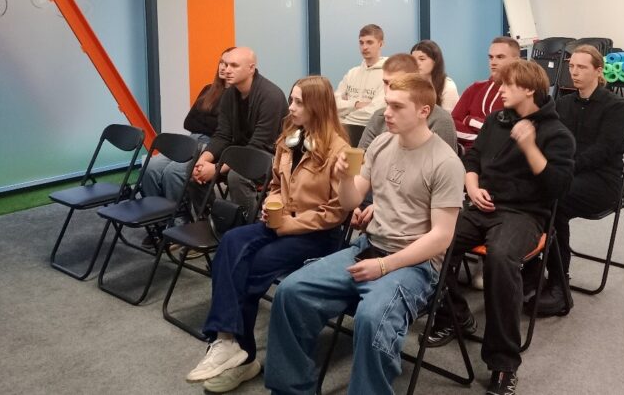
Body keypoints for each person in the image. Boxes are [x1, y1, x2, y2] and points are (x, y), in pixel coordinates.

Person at [264, 74, 465, 395]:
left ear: (424, 111)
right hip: (368, 247)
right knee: (290, 292)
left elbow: (441, 237)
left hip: (415, 265)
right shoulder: (382, 143)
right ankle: (291, 389)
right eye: (387, 104)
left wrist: (384, 266)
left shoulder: (445, 162)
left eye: (397, 107)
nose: (387, 113)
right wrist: (344, 179)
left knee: (372, 319)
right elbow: (350, 202)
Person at [185, 76, 350, 392]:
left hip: (316, 235)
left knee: (248, 269)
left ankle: (244, 356)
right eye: (292, 100)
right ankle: (226, 340)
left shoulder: (338, 151)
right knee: (230, 241)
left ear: (318, 107)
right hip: (280, 221)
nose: (291, 108)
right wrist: (272, 204)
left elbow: (335, 213)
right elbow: (275, 185)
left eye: (299, 102)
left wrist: (291, 224)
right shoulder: (289, 139)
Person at [426, 59, 575, 395]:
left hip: (524, 214)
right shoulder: (497, 120)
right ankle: (455, 316)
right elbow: (472, 158)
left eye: (508, 85)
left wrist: (529, 146)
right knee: (433, 240)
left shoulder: (557, 133)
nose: (501, 89)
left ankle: (504, 363)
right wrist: (472, 186)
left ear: (529, 89)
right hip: (482, 205)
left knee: (500, 259)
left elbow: (558, 188)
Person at [537, 44, 624, 316]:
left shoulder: (615, 106)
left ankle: (559, 282)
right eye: (571, 66)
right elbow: (550, 140)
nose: (574, 72)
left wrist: (561, 169)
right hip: (569, 175)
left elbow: (604, 151)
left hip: (603, 182)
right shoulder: (563, 103)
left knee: (554, 199)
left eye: (581, 67)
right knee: (533, 192)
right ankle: (532, 269)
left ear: (598, 71)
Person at [353, 53, 458, 231]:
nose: (389, 89)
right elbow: (360, 162)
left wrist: (380, 206)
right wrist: (353, 203)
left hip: (412, 205)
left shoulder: (440, 121)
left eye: (395, 83)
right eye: (385, 82)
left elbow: (438, 183)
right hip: (374, 189)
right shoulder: (380, 117)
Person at [140, 47, 232, 239]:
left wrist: (205, 120)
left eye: (230, 64)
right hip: (191, 139)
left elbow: (223, 132)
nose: (224, 68)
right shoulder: (208, 90)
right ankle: (158, 222)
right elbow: (189, 122)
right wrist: (212, 122)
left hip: (214, 145)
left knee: (174, 172)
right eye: (222, 63)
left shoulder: (238, 96)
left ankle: (180, 222)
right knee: (151, 167)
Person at [190, 47, 288, 219]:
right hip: (241, 152)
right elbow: (222, 135)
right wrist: (203, 160)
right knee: (195, 168)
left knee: (237, 176)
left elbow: (258, 146)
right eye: (226, 64)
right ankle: (213, 221)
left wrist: (217, 169)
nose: (227, 70)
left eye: (234, 66)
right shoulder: (229, 95)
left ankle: (247, 224)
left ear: (251, 68)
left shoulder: (271, 96)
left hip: (269, 157)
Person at [451, 37, 521, 151]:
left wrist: (469, 120)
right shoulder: (475, 88)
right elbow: (451, 124)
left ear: (516, 60)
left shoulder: (520, 94)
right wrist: (480, 140)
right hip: (469, 156)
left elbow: (505, 133)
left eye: (500, 57)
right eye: (491, 57)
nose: (493, 62)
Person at [334, 23, 387, 127]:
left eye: (369, 42)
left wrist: (345, 113)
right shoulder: (352, 73)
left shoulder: (387, 74)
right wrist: (356, 104)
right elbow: (334, 104)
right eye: (361, 43)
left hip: (367, 129)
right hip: (342, 127)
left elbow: (375, 112)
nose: (364, 47)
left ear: (381, 44)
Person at [411, 39, 459, 110]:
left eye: (422, 59)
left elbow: (449, 116)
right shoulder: (411, 83)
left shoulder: (447, 86)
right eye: (413, 59)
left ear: (435, 61)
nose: (417, 63)